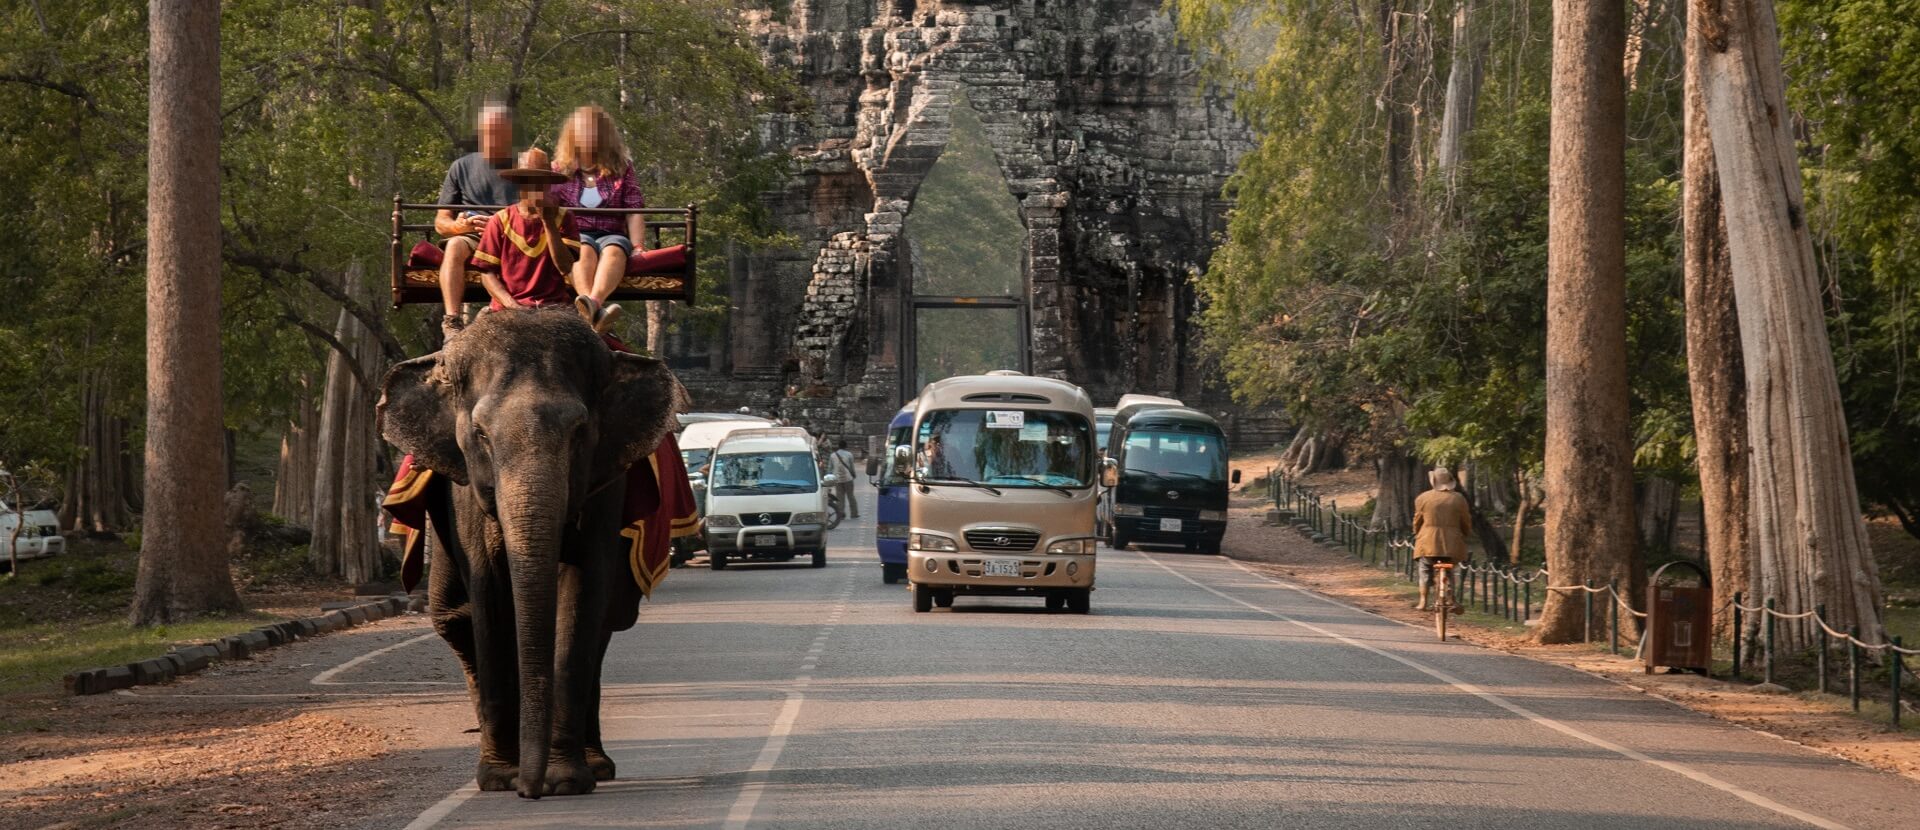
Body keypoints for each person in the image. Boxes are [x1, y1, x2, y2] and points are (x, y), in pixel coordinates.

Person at [550, 105, 646, 332]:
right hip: (576, 233)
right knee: (582, 249)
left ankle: (594, 303)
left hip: (611, 232)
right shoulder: (558, 169)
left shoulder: (622, 168)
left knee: (614, 249)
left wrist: (638, 245)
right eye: (583, 131)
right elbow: (549, 208)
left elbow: (634, 209)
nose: (588, 137)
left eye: (594, 131)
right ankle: (594, 313)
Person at [434, 102, 520, 338]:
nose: (491, 136)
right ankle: (452, 321)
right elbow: (441, 222)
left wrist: (501, 224)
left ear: (509, 133)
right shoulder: (461, 167)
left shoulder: (523, 165)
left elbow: (537, 207)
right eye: (487, 131)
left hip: (514, 234)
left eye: (498, 131)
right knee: (453, 246)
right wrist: (459, 226)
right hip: (474, 234)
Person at [468, 147, 583, 316]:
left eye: (542, 181)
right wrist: (512, 305)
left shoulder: (564, 218)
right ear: (520, 183)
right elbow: (487, 273)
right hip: (508, 310)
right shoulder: (500, 220)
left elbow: (565, 266)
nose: (537, 187)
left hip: (553, 309)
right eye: (530, 180)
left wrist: (548, 222)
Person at [1412, 467, 1473, 612]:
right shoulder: (1458, 498)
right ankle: (1452, 599)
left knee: (1425, 569)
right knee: (1449, 570)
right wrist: (1464, 534)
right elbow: (1466, 521)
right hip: (1452, 543)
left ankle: (1423, 601)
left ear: (1433, 481)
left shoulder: (1423, 498)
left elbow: (1417, 520)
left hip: (1428, 542)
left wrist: (1417, 533)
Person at [829, 440, 858, 518]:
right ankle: (854, 513)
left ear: (838, 446)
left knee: (839, 497)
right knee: (851, 496)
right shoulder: (849, 454)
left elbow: (830, 469)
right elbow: (851, 467)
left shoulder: (832, 455)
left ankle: (841, 513)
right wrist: (854, 475)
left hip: (837, 479)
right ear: (846, 446)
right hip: (848, 478)